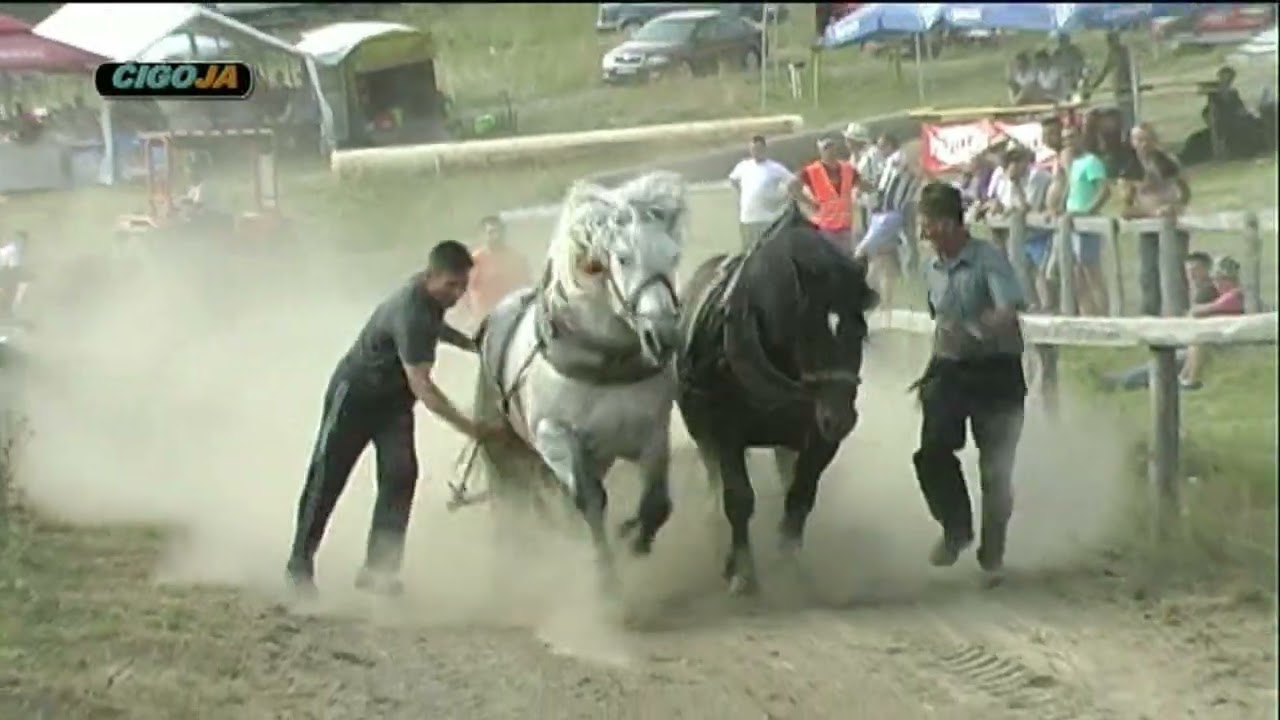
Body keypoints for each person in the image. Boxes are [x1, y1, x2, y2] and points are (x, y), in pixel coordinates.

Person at [286, 240, 503, 597]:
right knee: (328, 475)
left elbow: (433, 329)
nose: (458, 293)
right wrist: (473, 430)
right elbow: (424, 387)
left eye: (463, 285)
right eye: (452, 285)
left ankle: (379, 569)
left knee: (401, 475)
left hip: (393, 404)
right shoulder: (411, 309)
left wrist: (470, 344)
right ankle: (299, 563)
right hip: (355, 396)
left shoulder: (430, 298)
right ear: (432, 276)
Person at [913, 182, 1026, 575]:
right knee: (930, 454)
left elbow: (1008, 309)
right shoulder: (929, 267)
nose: (923, 234)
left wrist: (976, 330)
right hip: (949, 369)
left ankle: (992, 554)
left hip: (995, 372)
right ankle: (956, 528)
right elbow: (937, 316)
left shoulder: (987, 259)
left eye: (927, 225)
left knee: (995, 468)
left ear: (947, 224)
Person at [1098, 253, 1244, 392]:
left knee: (1165, 363)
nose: (1216, 283)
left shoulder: (1233, 296)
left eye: (1220, 279)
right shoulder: (1226, 295)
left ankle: (1121, 382)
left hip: (1219, 349)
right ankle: (1121, 381)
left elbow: (1200, 311)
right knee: (1165, 362)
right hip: (1214, 346)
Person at [1123, 123, 1192, 317]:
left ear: (1154, 140)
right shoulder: (1130, 167)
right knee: (1149, 275)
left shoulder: (1168, 162)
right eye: (1138, 140)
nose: (1143, 144)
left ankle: (1182, 316)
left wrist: (1175, 207)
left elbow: (1185, 192)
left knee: (1176, 272)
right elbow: (1126, 209)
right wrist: (1152, 212)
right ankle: (1151, 320)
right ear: (1132, 143)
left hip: (1173, 225)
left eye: (1146, 139)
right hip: (1149, 229)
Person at [983, 146, 1055, 311]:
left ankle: (1047, 308)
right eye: (1009, 160)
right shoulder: (1003, 176)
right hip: (1018, 234)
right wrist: (996, 205)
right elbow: (1005, 204)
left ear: (1025, 160)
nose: (1012, 164)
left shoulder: (1037, 176)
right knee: (1017, 269)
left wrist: (1015, 184)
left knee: (1041, 275)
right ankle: (1030, 305)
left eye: (1017, 159)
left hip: (1041, 232)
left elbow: (1026, 207)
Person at [853, 135, 918, 311]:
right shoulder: (887, 163)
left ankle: (859, 296)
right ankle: (886, 304)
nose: (878, 149)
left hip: (888, 216)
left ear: (890, 145)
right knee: (884, 260)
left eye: (882, 146)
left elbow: (915, 169)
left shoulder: (898, 158)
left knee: (861, 252)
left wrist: (919, 175)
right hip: (880, 214)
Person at [1063, 119, 1111, 316]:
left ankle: (1104, 314)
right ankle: (1087, 314)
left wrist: (1088, 211)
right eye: (1065, 139)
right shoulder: (1072, 164)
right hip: (1071, 221)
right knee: (1076, 272)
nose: (1068, 142)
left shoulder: (1092, 161)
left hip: (1086, 222)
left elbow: (1104, 191)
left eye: (1072, 137)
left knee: (1092, 271)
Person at [1180, 66, 1267, 166]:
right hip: (1224, 124)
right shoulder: (1214, 95)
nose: (1226, 81)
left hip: (1236, 122)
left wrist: (1246, 112)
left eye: (1228, 78)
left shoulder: (1233, 93)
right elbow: (1209, 111)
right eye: (1223, 77)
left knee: (1254, 124)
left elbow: (1239, 108)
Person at [789, 135, 858, 251]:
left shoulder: (847, 168)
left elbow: (863, 184)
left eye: (832, 147)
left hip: (845, 225)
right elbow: (792, 187)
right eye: (826, 148)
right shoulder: (812, 170)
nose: (830, 151)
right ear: (820, 151)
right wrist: (810, 203)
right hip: (825, 225)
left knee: (846, 259)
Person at [728, 135, 792, 250]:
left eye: (758, 149)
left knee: (768, 250)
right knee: (748, 251)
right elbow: (733, 180)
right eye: (753, 149)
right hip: (747, 218)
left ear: (764, 149)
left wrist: (782, 199)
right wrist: (741, 193)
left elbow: (793, 182)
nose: (755, 152)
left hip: (767, 219)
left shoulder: (774, 167)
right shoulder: (743, 166)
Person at [466, 215, 531, 321]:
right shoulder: (474, 261)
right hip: (483, 320)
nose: (496, 236)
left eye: (499, 232)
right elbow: (463, 293)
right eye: (491, 232)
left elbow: (527, 288)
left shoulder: (516, 258)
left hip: (511, 316)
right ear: (482, 235)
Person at [1089, 31, 1136, 133]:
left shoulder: (1122, 52)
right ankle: (1127, 131)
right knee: (1124, 112)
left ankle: (1130, 132)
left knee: (1128, 112)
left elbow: (1106, 71)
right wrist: (1093, 86)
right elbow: (1105, 71)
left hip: (1125, 86)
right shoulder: (1114, 53)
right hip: (1119, 87)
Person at [844, 122, 883, 234]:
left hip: (875, 201)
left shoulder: (872, 154)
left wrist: (872, 189)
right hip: (863, 202)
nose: (846, 142)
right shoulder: (853, 156)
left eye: (848, 139)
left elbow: (880, 175)